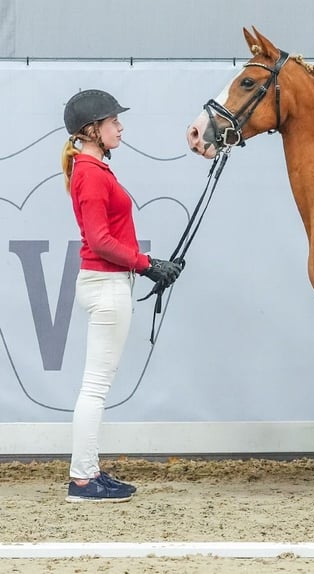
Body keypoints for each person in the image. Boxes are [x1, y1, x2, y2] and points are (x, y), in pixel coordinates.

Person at [60, 89, 182, 502]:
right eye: (113, 121)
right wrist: (146, 264)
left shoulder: (93, 169)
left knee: (96, 385)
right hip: (107, 284)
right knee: (95, 387)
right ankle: (82, 479)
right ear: (92, 130)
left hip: (109, 281)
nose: (120, 127)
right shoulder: (91, 174)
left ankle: (89, 470)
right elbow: (99, 239)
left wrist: (149, 262)